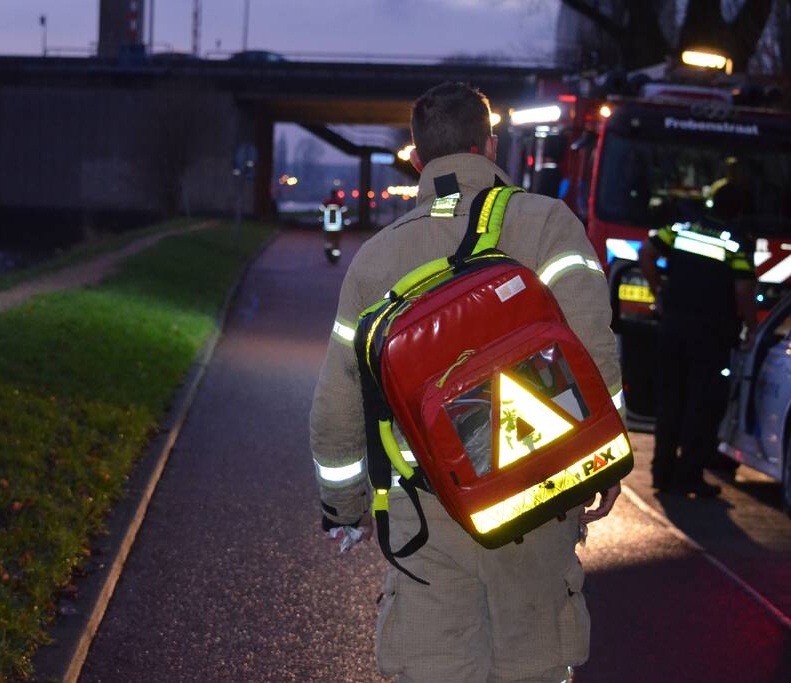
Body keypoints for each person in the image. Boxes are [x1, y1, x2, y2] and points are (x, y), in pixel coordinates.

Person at [309, 81, 623, 683]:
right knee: (532, 664)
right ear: (491, 144)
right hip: (539, 498)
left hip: (427, 513)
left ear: (417, 158)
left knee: (434, 665)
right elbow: (593, 353)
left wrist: (343, 509)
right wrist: (602, 465)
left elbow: (337, 404)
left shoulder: (376, 258)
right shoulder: (550, 225)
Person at [639, 209, 757, 497]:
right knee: (702, 405)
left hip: (674, 328)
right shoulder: (735, 243)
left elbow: (646, 253)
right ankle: (689, 476)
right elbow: (743, 291)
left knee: (670, 401)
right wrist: (752, 327)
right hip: (712, 334)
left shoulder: (681, 228)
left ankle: (662, 474)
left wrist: (658, 292)